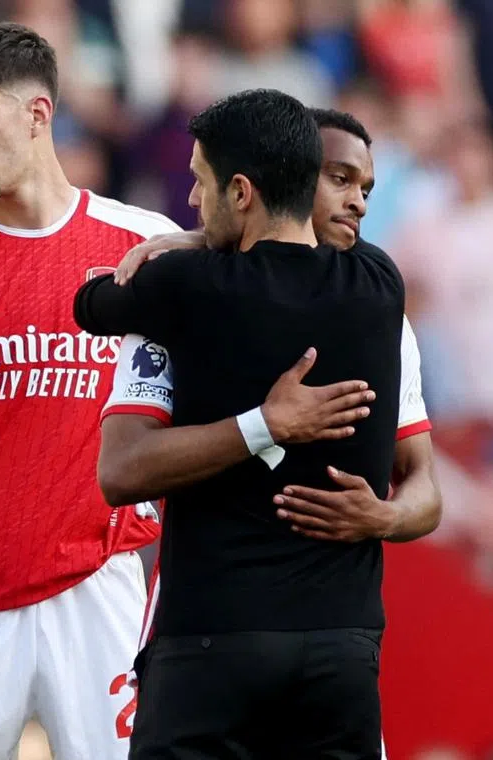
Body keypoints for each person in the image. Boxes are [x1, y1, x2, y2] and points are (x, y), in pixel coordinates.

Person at [0, 25, 374, 760]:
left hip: (102, 594)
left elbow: (275, 264)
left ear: (38, 113)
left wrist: (196, 244)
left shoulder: (143, 243)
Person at [75, 89, 440, 759]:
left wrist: (264, 426)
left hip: (212, 638)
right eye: (341, 180)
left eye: (200, 183)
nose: (358, 203)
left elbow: (93, 308)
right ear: (304, 181)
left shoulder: (184, 291)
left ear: (242, 190)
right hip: (342, 650)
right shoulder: (381, 287)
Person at [107, 106, 438, 550]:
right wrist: (262, 425)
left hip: (337, 593)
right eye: (339, 179)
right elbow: (122, 471)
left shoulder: (381, 311)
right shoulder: (185, 299)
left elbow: (424, 483)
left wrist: (387, 516)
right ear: (289, 177)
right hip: (207, 588)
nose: (358, 203)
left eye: (364, 189)